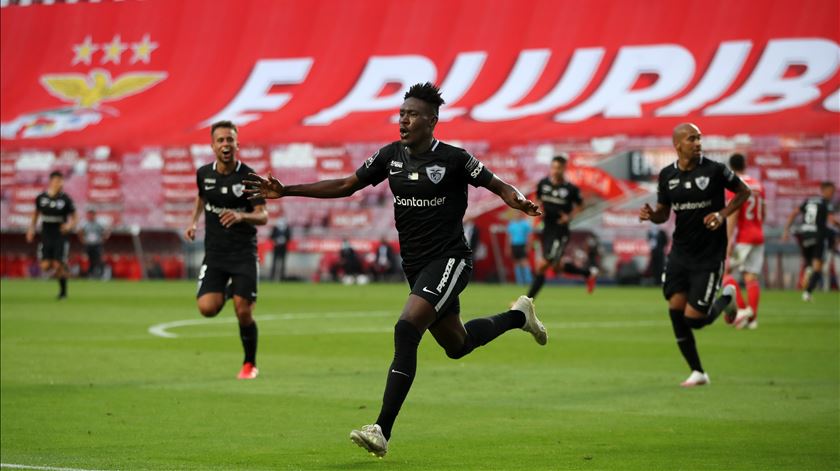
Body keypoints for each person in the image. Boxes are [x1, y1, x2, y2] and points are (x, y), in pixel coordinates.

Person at [245, 82, 546, 457]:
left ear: (431, 121)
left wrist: (520, 202)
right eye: (401, 114)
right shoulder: (390, 157)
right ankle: (519, 316)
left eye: (412, 114)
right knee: (458, 344)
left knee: (406, 328)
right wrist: (285, 190)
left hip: (450, 259)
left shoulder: (455, 159)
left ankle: (381, 429)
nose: (403, 120)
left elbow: (500, 186)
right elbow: (345, 184)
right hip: (416, 266)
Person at [639, 123, 750, 387]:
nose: (698, 143)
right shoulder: (667, 175)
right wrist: (651, 215)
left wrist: (722, 215)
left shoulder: (715, 170)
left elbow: (744, 192)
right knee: (675, 309)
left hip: (709, 255)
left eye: (699, 139)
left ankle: (726, 299)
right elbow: (664, 213)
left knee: (694, 320)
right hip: (680, 253)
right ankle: (698, 372)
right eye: (692, 139)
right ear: (678, 144)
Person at [184, 120, 268, 380]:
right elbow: (202, 197)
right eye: (220, 140)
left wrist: (242, 217)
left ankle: (249, 364)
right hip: (216, 254)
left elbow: (263, 215)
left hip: (243, 253)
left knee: (243, 311)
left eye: (230, 139)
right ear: (212, 146)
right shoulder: (203, 174)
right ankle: (232, 289)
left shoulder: (249, 177)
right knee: (207, 309)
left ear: (237, 144)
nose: (225, 144)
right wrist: (193, 221)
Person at [527, 155, 597, 298]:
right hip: (547, 228)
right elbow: (537, 199)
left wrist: (569, 217)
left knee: (542, 265)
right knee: (556, 266)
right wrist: (538, 209)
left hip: (560, 230)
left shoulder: (570, 189)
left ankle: (525, 302)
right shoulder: (543, 184)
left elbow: (581, 206)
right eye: (553, 167)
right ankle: (589, 273)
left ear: (564, 169)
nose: (555, 171)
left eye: (558, 168)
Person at [720, 154, 765, 329]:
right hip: (758, 234)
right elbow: (764, 211)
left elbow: (733, 214)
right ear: (745, 165)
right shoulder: (759, 185)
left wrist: (728, 240)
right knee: (751, 276)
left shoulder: (735, 185)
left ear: (731, 167)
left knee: (725, 273)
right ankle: (752, 318)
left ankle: (740, 311)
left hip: (744, 237)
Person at [782, 181, 837, 301]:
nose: (832, 194)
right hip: (818, 236)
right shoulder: (825, 203)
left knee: (809, 263)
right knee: (818, 268)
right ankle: (807, 293)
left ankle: (808, 269)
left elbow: (794, 213)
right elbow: (832, 220)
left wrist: (786, 230)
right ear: (825, 190)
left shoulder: (809, 200)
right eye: (832, 192)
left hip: (805, 235)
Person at [26, 171, 77, 299]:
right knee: (45, 266)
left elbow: (75, 217)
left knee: (57, 264)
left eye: (61, 181)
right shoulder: (41, 198)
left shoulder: (66, 199)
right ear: (51, 182)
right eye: (56, 181)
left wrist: (69, 226)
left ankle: (63, 292)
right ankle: (63, 268)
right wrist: (31, 229)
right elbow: (35, 214)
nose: (59, 183)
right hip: (46, 233)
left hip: (60, 234)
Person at [78, 208, 110, 279]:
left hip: (97, 244)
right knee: (89, 259)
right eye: (89, 214)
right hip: (88, 244)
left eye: (92, 214)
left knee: (99, 258)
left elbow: (106, 231)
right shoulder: (85, 223)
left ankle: (101, 274)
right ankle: (91, 274)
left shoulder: (99, 223)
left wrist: (104, 238)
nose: (90, 216)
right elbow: (80, 231)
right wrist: (82, 239)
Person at [507, 213, 532, 284]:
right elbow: (509, 237)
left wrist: (528, 246)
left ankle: (528, 280)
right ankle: (519, 281)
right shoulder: (511, 224)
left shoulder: (525, 224)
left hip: (522, 245)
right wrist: (509, 247)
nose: (516, 215)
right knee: (516, 263)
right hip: (514, 245)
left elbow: (529, 236)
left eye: (518, 214)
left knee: (524, 262)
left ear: (520, 215)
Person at [270, 213, 291, 281]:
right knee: (274, 262)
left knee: (283, 263)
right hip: (276, 247)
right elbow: (271, 236)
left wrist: (284, 240)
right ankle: (272, 277)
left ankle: (282, 277)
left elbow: (289, 237)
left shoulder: (287, 228)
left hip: (283, 247)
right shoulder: (275, 228)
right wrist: (276, 240)